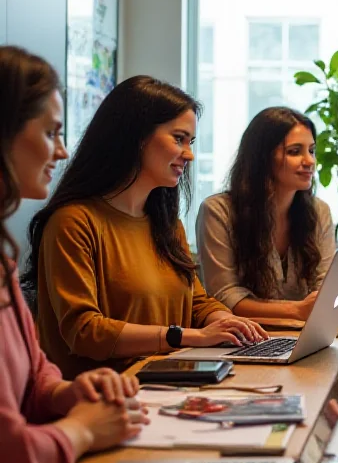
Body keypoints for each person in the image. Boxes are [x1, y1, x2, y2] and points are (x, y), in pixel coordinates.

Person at [23, 76, 264, 380]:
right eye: (179, 139)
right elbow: (84, 331)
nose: (188, 154)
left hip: (169, 384)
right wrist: (188, 337)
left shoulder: (166, 224)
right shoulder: (73, 221)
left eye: (191, 142)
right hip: (104, 399)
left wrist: (225, 322)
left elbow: (197, 303)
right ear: (136, 138)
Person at [0, 46, 149, 463]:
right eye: (50, 133)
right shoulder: (73, 221)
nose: (61, 151)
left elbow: (35, 371)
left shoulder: (3, 260)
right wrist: (84, 429)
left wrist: (68, 394)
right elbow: (8, 459)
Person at [196, 107, 334, 321]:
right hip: (243, 340)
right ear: (262, 158)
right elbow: (224, 296)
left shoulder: (319, 211)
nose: (310, 161)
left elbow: (325, 287)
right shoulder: (218, 211)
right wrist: (296, 311)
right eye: (295, 151)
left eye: (312, 150)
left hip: (304, 337)